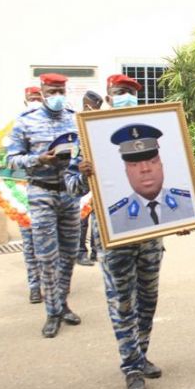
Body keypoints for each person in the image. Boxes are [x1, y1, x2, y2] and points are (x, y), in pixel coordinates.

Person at [65, 73, 191, 389]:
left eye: (131, 93)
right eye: (120, 92)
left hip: (149, 238)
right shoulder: (89, 133)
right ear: (109, 95)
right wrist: (82, 174)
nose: (126, 97)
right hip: (112, 236)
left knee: (148, 299)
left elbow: (173, 175)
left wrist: (182, 217)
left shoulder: (160, 130)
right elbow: (70, 186)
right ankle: (131, 368)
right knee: (122, 302)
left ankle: (141, 353)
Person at [7, 73, 81, 338]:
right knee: (47, 255)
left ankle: (63, 303)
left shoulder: (75, 118)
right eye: (51, 91)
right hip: (41, 192)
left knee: (69, 253)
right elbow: (11, 160)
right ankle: (52, 311)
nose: (57, 96)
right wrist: (39, 159)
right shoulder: (26, 122)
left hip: (70, 193)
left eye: (60, 91)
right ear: (42, 90)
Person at [108, 123, 194, 234]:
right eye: (134, 164)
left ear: (161, 165)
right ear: (126, 171)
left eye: (152, 161)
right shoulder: (115, 217)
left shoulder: (188, 204)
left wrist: (188, 223)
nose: (145, 169)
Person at [19, 86, 45, 303]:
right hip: (23, 194)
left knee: (50, 245)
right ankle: (34, 285)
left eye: (38, 97)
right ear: (25, 101)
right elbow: (7, 161)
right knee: (29, 243)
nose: (35, 101)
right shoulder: (18, 126)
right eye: (32, 98)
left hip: (47, 194)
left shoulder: (53, 126)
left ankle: (53, 287)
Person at [76, 90, 104, 266]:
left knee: (96, 217)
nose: (97, 111)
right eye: (95, 107)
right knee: (82, 219)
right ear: (87, 106)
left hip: (97, 179)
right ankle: (80, 252)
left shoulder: (96, 124)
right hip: (81, 179)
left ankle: (95, 251)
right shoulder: (76, 126)